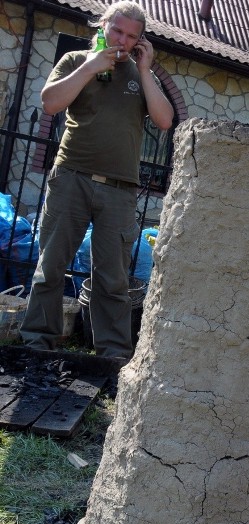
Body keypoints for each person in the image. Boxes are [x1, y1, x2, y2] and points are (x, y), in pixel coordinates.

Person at [21, 1, 173, 358]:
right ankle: (36, 346)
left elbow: (165, 121)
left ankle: (111, 356)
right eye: (117, 31)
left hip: (120, 190)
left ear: (140, 41)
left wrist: (146, 70)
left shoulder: (140, 74)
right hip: (71, 177)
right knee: (51, 266)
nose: (122, 40)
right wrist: (91, 66)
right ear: (103, 26)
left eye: (131, 36)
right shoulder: (75, 62)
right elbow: (51, 103)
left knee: (113, 279)